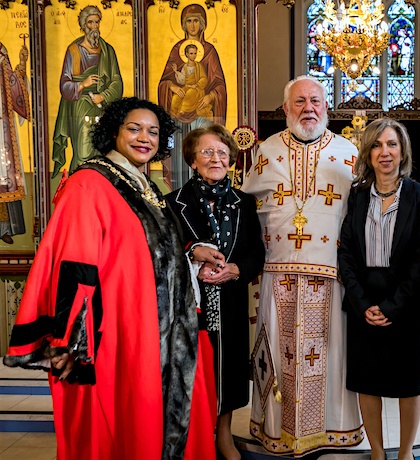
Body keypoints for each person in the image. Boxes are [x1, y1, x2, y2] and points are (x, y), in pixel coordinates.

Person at [3, 98, 217, 459]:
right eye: (134, 129)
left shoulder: (143, 186)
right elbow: (74, 265)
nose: (144, 138)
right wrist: (72, 342)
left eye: (154, 131)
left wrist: (191, 251)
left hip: (164, 331)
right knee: (127, 429)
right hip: (118, 336)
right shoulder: (89, 183)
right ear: (113, 132)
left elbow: (147, 248)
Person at [242, 75, 363, 455]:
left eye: (315, 101)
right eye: (299, 102)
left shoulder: (349, 153)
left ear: (326, 107)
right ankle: (277, 430)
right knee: (276, 354)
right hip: (277, 277)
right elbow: (247, 210)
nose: (308, 108)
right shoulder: (265, 151)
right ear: (285, 109)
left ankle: (333, 429)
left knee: (329, 356)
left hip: (332, 277)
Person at [165, 124, 265, 460]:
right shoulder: (172, 203)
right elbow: (162, 249)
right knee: (194, 368)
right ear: (192, 159)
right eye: (207, 152)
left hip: (232, 300)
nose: (216, 158)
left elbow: (256, 252)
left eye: (222, 152)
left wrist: (238, 270)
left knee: (230, 369)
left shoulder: (245, 202)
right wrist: (193, 251)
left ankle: (223, 434)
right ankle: (193, 436)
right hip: (190, 304)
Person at [338, 118, 420, 460]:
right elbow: (346, 253)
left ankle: (405, 452)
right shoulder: (357, 195)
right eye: (377, 145)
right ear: (368, 152)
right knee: (368, 381)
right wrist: (362, 302)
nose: (385, 152)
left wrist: (392, 307)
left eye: (392, 144)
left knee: (408, 383)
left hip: (405, 304)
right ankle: (377, 451)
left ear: (403, 150)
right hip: (363, 300)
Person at [158, 3, 227, 189]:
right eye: (189, 21)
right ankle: (180, 191)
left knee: (204, 148)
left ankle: (205, 190)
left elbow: (219, 83)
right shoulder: (176, 51)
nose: (193, 25)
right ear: (183, 24)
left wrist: (211, 96)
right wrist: (172, 86)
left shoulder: (209, 51)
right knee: (180, 154)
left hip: (202, 112)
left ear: (203, 24)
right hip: (179, 114)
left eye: (196, 20)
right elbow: (164, 82)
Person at [52, 5, 123, 177]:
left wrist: (103, 96)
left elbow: (117, 82)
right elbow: (65, 85)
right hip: (80, 107)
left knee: (104, 153)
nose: (94, 26)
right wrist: (83, 84)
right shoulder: (74, 51)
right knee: (83, 153)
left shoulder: (108, 51)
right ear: (83, 26)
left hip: (102, 107)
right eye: (90, 22)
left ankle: (100, 193)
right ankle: (78, 193)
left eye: (97, 22)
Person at [0, 42, 30, 244]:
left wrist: (21, 64)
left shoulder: (1, 52)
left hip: (2, 127)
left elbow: (13, 84)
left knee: (4, 174)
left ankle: (5, 228)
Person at [170, 43, 212, 120]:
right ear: (187, 54)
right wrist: (176, 71)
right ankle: (174, 113)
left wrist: (197, 85)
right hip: (187, 87)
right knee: (177, 96)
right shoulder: (185, 67)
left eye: (195, 53)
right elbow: (182, 80)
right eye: (191, 53)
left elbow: (204, 78)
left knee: (190, 93)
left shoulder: (199, 66)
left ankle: (183, 109)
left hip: (197, 89)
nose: (193, 55)